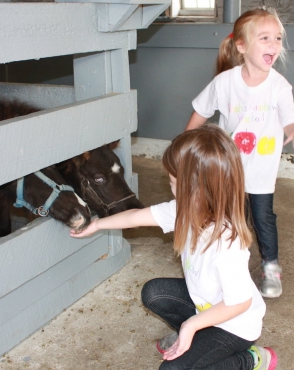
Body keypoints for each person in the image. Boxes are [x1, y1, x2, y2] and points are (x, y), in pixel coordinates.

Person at [71, 124, 277, 370]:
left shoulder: (227, 243)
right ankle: (199, 338)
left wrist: (190, 326)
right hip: (205, 304)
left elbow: (239, 303)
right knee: (154, 293)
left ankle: (251, 359)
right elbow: (136, 217)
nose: (169, 187)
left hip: (235, 326)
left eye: (171, 181)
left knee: (171, 369)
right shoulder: (183, 210)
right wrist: (97, 224)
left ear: (195, 188)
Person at [185, 8, 294, 298]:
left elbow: (290, 121)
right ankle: (226, 266)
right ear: (242, 46)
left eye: (278, 38)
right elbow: (200, 113)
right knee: (226, 219)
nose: (274, 44)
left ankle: (271, 266)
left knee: (262, 219)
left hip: (260, 171)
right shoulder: (225, 82)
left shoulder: (279, 86)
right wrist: (184, 147)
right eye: (265, 38)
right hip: (227, 169)